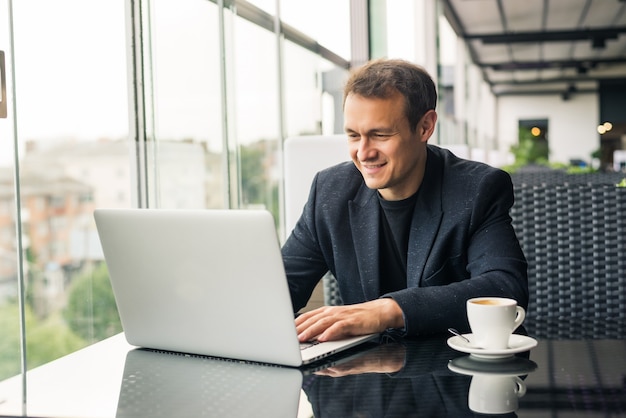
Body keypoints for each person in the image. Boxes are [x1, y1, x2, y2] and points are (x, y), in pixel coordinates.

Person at [281, 58, 528, 343]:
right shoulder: (329, 191)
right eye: (353, 136)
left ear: (425, 127)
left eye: (380, 135)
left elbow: (505, 288)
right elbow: (281, 287)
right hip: (363, 375)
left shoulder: (477, 189)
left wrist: (390, 310)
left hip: (453, 372)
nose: (363, 152)